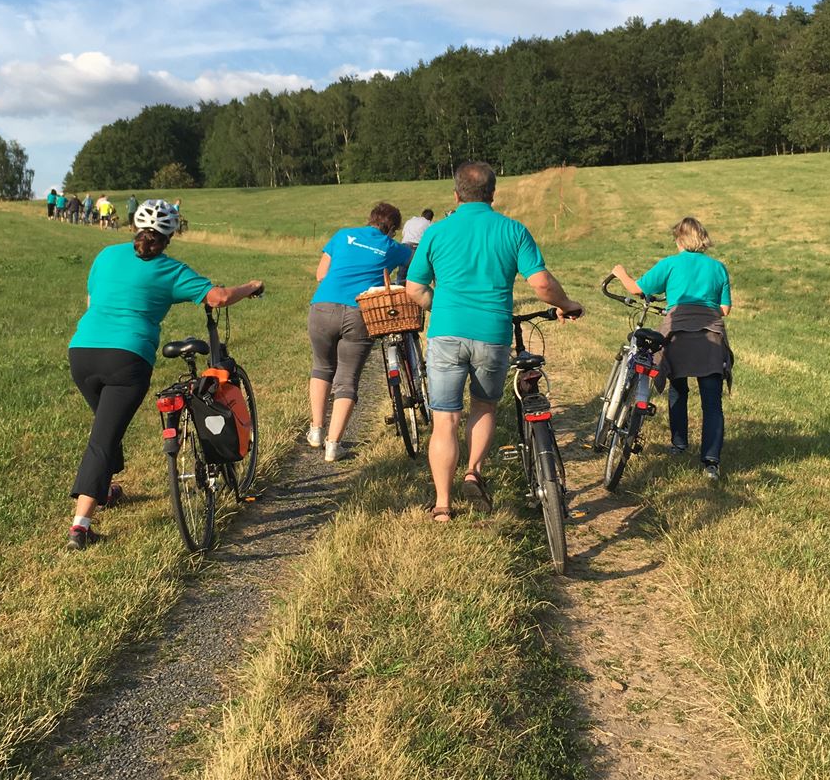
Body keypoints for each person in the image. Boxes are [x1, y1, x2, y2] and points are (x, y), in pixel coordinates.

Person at [65, 199, 263, 550]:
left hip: (82, 353)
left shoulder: (106, 255)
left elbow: (92, 302)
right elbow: (218, 298)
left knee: (107, 426)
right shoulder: (170, 269)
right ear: (171, 235)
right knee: (103, 438)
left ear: (133, 226)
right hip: (127, 359)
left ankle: (104, 488)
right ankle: (81, 526)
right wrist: (251, 286)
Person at [406, 162, 584, 521]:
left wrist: (441, 307)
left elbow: (414, 289)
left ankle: (442, 505)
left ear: (456, 194)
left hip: (446, 334)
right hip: (492, 335)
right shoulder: (513, 230)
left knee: (445, 420)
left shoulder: (436, 233)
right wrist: (567, 304)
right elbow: (541, 284)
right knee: (484, 406)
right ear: (493, 193)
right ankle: (473, 471)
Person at [610, 216, 732, 482]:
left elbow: (636, 289)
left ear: (679, 240)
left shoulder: (670, 264)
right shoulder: (718, 268)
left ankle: (679, 444)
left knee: (678, 388)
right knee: (712, 401)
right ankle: (711, 461)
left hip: (678, 335)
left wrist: (621, 273)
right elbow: (724, 309)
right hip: (711, 337)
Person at [307, 202, 411, 462]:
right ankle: (333, 445)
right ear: (392, 229)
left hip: (322, 306)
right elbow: (415, 266)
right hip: (360, 312)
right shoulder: (393, 247)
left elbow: (320, 275)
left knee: (321, 367)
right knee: (347, 378)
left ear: (370, 219)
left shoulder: (343, 235)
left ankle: (316, 431)